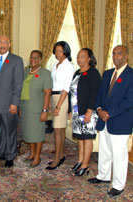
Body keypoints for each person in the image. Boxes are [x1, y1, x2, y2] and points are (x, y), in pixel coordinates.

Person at [88, 45, 133, 197]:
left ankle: (119, 185)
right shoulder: (107, 74)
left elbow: (129, 101)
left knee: (119, 154)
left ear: (126, 56)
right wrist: (99, 109)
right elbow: (100, 94)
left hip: (120, 121)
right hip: (104, 119)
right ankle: (103, 175)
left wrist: (110, 113)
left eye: (119, 54)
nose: (115, 57)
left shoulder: (131, 75)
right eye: (114, 54)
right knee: (105, 149)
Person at [0, 35, 24, 168]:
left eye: (5, 42)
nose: (2, 45)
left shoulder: (17, 60)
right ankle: (0, 153)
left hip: (10, 104)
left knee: (10, 130)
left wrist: (15, 103)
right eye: (0, 42)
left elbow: (18, 84)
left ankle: (10, 155)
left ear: (10, 44)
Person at [69, 48, 101, 176]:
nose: (79, 59)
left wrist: (89, 111)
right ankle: (80, 161)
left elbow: (94, 93)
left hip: (88, 112)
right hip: (77, 111)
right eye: (78, 56)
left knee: (87, 138)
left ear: (89, 58)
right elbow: (72, 92)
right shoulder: (77, 72)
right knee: (80, 138)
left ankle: (86, 165)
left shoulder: (93, 73)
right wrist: (70, 110)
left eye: (82, 56)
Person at [20, 50, 52, 167]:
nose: (33, 60)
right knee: (29, 133)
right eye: (31, 57)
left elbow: (47, 93)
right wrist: (19, 106)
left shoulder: (45, 74)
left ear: (41, 60)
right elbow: (21, 90)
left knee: (37, 134)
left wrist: (45, 111)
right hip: (26, 107)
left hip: (38, 109)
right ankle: (32, 154)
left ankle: (37, 157)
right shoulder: (25, 72)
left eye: (36, 58)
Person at [46, 41, 75, 170]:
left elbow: (66, 88)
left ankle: (57, 159)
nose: (58, 53)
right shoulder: (55, 65)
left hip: (62, 98)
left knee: (57, 129)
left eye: (60, 51)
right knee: (61, 129)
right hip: (54, 96)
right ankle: (61, 155)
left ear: (66, 52)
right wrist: (52, 103)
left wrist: (58, 106)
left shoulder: (69, 66)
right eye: (56, 51)